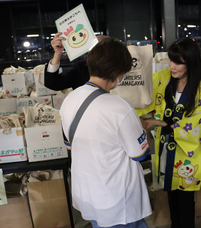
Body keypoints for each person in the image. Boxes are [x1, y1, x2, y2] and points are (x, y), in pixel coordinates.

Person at [59, 37, 154, 228]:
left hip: (87, 193)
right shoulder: (119, 107)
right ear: (119, 73)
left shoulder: (70, 99)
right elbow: (140, 154)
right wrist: (145, 130)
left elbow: (69, 144)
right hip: (117, 200)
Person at [142, 37, 201, 228]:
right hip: (165, 149)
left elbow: (194, 128)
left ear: (190, 63)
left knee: (185, 198)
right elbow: (143, 97)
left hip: (187, 153)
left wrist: (158, 122)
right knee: (170, 194)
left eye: (178, 62)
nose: (171, 65)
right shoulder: (164, 78)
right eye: (170, 60)